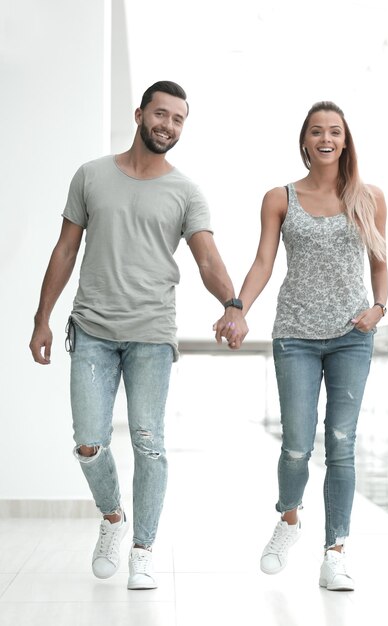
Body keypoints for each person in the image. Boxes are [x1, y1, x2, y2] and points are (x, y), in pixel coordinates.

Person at [29, 80, 247, 590]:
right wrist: (42, 317)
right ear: (139, 113)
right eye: (161, 114)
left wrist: (232, 304)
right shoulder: (91, 176)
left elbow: (207, 257)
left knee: (149, 443)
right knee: (88, 442)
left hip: (151, 332)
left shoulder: (186, 191)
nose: (168, 125)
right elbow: (65, 250)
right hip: (92, 329)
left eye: (178, 119)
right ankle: (112, 519)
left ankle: (143, 549)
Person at [214, 101, 388, 590]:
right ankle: (288, 521)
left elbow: (379, 262)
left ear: (345, 140)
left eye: (335, 131)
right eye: (317, 131)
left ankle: (335, 551)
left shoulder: (369, 197)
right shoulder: (279, 198)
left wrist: (380, 307)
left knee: (340, 442)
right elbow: (263, 262)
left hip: (353, 336)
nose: (326, 139)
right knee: (295, 443)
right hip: (295, 335)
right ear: (305, 141)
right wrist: (237, 307)